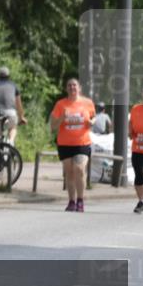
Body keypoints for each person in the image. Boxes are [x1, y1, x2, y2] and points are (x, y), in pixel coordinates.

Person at [49, 78, 96, 212]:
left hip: (82, 143)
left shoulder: (87, 103)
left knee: (79, 169)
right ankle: (71, 201)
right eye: (69, 85)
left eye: (74, 85)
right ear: (66, 89)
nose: (72, 88)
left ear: (79, 88)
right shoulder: (60, 104)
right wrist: (62, 118)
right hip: (65, 144)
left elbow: (93, 117)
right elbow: (53, 127)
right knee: (69, 173)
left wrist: (92, 122)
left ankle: (80, 200)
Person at [0, 66, 27, 146]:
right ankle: (10, 141)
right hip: (11, 113)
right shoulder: (14, 85)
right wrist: (21, 117)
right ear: (8, 76)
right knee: (13, 127)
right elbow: (19, 104)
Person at [129, 85, 143, 214]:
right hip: (138, 150)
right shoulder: (136, 109)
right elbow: (131, 127)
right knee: (140, 176)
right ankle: (141, 202)